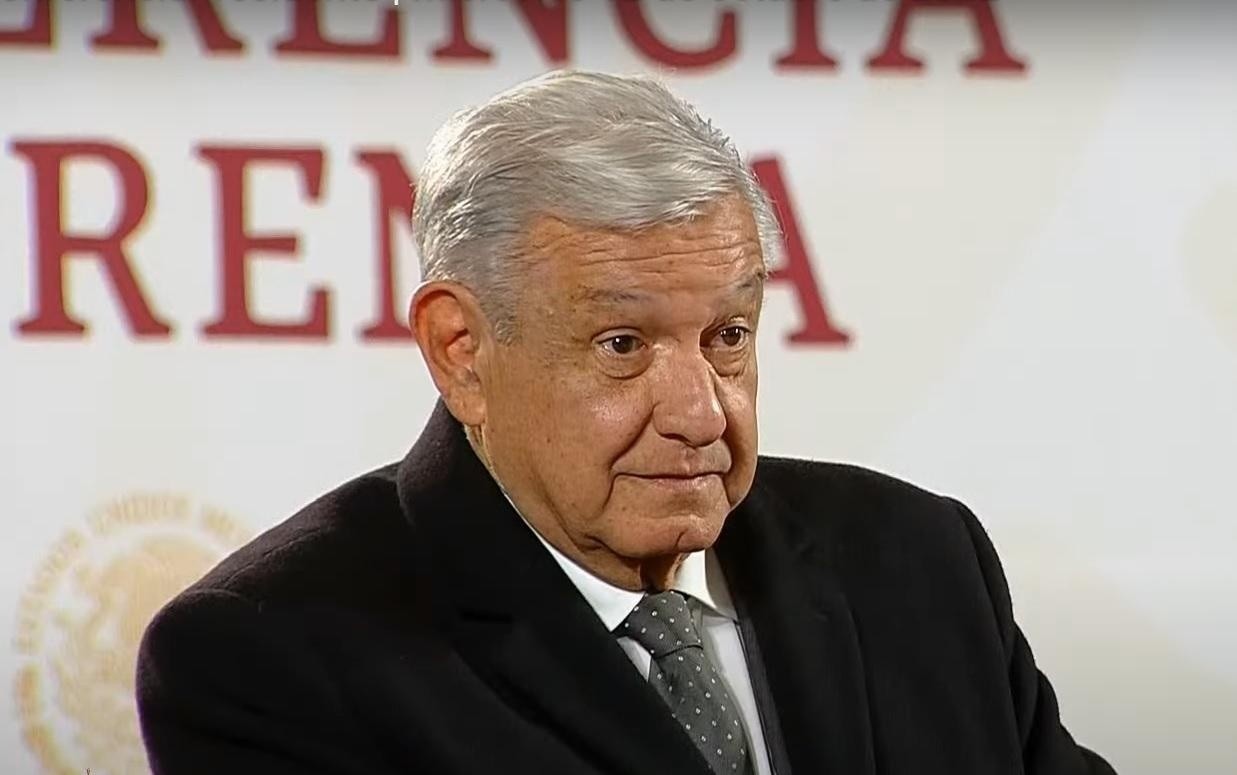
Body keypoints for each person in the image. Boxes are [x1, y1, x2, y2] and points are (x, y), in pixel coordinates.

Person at [135, 70, 1115, 775]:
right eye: (621, 345)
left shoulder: (915, 560)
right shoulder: (272, 653)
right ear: (460, 348)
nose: (699, 411)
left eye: (727, 336)